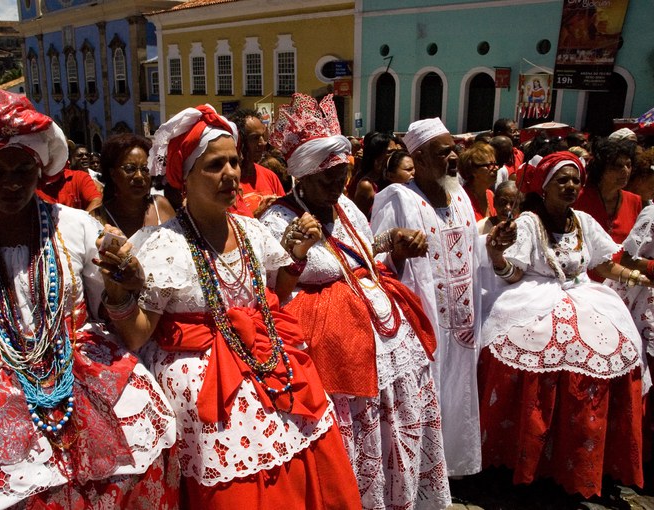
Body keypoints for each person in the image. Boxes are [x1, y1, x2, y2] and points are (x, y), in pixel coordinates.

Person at [0, 84, 178, 508]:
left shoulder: (77, 227)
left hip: (76, 370)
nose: (12, 184)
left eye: (22, 170)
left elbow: (114, 308)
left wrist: (125, 284)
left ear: (40, 169)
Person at [97, 103, 362, 509]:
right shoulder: (163, 245)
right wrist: (119, 292)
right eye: (214, 165)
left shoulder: (252, 230)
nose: (230, 175)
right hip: (208, 392)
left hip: (269, 363)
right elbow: (135, 334)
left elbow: (277, 291)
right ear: (184, 177)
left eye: (234, 163)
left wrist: (298, 254)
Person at [261, 93, 450, 510]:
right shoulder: (278, 220)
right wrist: (294, 252)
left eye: (342, 173)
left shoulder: (344, 205)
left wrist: (392, 245)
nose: (338, 185)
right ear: (302, 177)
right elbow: (273, 284)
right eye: (327, 177)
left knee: (395, 415)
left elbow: (362, 251)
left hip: (381, 328)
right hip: (331, 341)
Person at [480, 151, 649, 497]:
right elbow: (513, 274)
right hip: (534, 297)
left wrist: (636, 276)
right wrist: (498, 256)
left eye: (575, 180)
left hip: (585, 296)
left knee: (619, 350)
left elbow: (602, 265)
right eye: (562, 179)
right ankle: (526, 457)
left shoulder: (583, 222)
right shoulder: (529, 223)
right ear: (544, 186)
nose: (571, 186)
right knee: (527, 352)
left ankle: (578, 459)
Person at [371, 117, 484, 477]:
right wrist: (399, 252)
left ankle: (453, 468)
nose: (453, 158)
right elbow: (374, 260)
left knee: (460, 389)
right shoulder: (398, 199)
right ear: (417, 160)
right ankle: (421, 474)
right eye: (442, 152)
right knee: (426, 392)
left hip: (463, 319)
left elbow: (473, 252)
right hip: (422, 320)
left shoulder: (460, 195)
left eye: (454, 150)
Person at [90, 133, 175, 243]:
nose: (139, 176)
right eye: (130, 169)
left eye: (145, 169)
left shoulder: (161, 205)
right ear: (113, 174)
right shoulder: (97, 218)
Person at [574, 138, 640, 266]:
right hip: (584, 276)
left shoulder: (634, 201)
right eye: (618, 166)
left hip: (619, 278)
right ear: (601, 168)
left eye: (628, 165)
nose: (625, 171)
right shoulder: (579, 198)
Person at [228, 108, 285, 217]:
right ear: (240, 141)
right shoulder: (229, 182)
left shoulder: (270, 177)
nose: (263, 143)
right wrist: (258, 213)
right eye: (255, 138)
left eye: (263, 136)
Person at [350, 131, 401, 218]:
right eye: (390, 152)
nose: (395, 156)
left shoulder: (397, 178)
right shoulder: (367, 185)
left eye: (396, 152)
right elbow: (360, 220)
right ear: (376, 155)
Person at [459, 142, 498, 221]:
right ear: (473, 171)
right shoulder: (462, 198)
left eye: (495, 163)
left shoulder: (490, 195)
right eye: (490, 165)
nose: (496, 168)